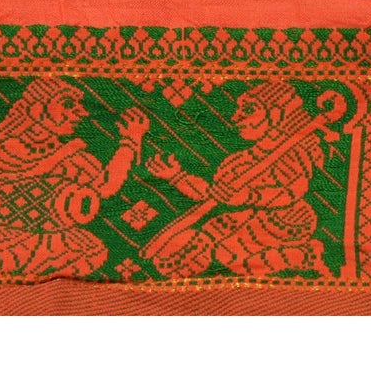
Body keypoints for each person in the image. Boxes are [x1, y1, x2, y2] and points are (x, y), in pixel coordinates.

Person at [0, 76, 147, 280]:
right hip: (3, 227)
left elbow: (104, 187)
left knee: (93, 251)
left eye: (79, 106)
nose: (81, 112)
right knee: (21, 251)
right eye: (67, 104)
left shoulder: (76, 158)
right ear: (38, 109)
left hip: (52, 231)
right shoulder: (13, 147)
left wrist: (130, 142)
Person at [140, 81, 338, 278]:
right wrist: (178, 177)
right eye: (239, 109)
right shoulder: (236, 162)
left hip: (285, 221)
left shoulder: (290, 155)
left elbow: (292, 191)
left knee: (229, 253)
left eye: (249, 109)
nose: (236, 117)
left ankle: (304, 256)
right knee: (213, 235)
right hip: (243, 216)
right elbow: (210, 195)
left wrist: (249, 196)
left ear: (276, 114)